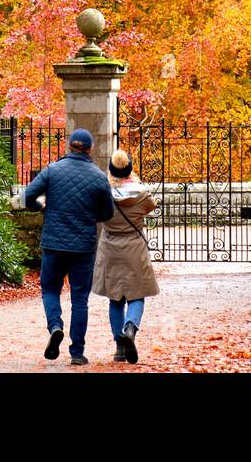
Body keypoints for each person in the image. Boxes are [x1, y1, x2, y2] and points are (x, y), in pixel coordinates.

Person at [24, 127, 114, 366]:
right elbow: (107, 213)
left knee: (50, 288)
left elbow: (28, 196)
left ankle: (55, 326)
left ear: (69, 145)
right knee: (80, 299)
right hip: (83, 246)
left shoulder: (53, 170)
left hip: (54, 242)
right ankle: (77, 352)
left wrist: (42, 207)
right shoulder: (98, 176)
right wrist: (88, 215)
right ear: (90, 148)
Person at [92, 148, 159, 365]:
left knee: (115, 298)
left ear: (111, 171)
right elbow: (151, 206)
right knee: (137, 295)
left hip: (110, 248)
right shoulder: (141, 195)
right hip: (134, 248)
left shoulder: (103, 195)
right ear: (130, 170)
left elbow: (96, 213)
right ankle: (130, 327)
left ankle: (120, 347)